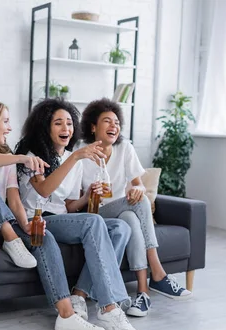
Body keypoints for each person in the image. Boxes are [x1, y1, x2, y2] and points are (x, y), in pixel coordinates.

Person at [0, 99, 106, 330]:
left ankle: (66, 315)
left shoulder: (7, 157)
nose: (9, 128)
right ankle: (10, 237)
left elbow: (13, 200)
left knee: (44, 237)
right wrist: (22, 158)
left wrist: (27, 225)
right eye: (4, 121)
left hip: (1, 224)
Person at [14, 98, 141, 330]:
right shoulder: (31, 156)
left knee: (120, 228)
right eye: (58, 123)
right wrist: (74, 159)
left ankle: (79, 295)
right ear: (45, 127)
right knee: (93, 222)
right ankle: (109, 308)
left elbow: (70, 205)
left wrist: (88, 195)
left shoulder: (75, 158)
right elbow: (44, 190)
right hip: (38, 220)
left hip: (62, 219)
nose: (66, 129)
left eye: (69, 123)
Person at [78, 98, 192, 318]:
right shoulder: (81, 153)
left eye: (117, 122)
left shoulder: (124, 148)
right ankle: (157, 273)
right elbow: (74, 201)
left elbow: (138, 183)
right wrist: (90, 194)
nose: (114, 126)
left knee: (131, 218)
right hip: (94, 213)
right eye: (107, 121)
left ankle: (142, 292)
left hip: (121, 212)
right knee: (137, 205)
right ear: (93, 127)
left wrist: (138, 189)